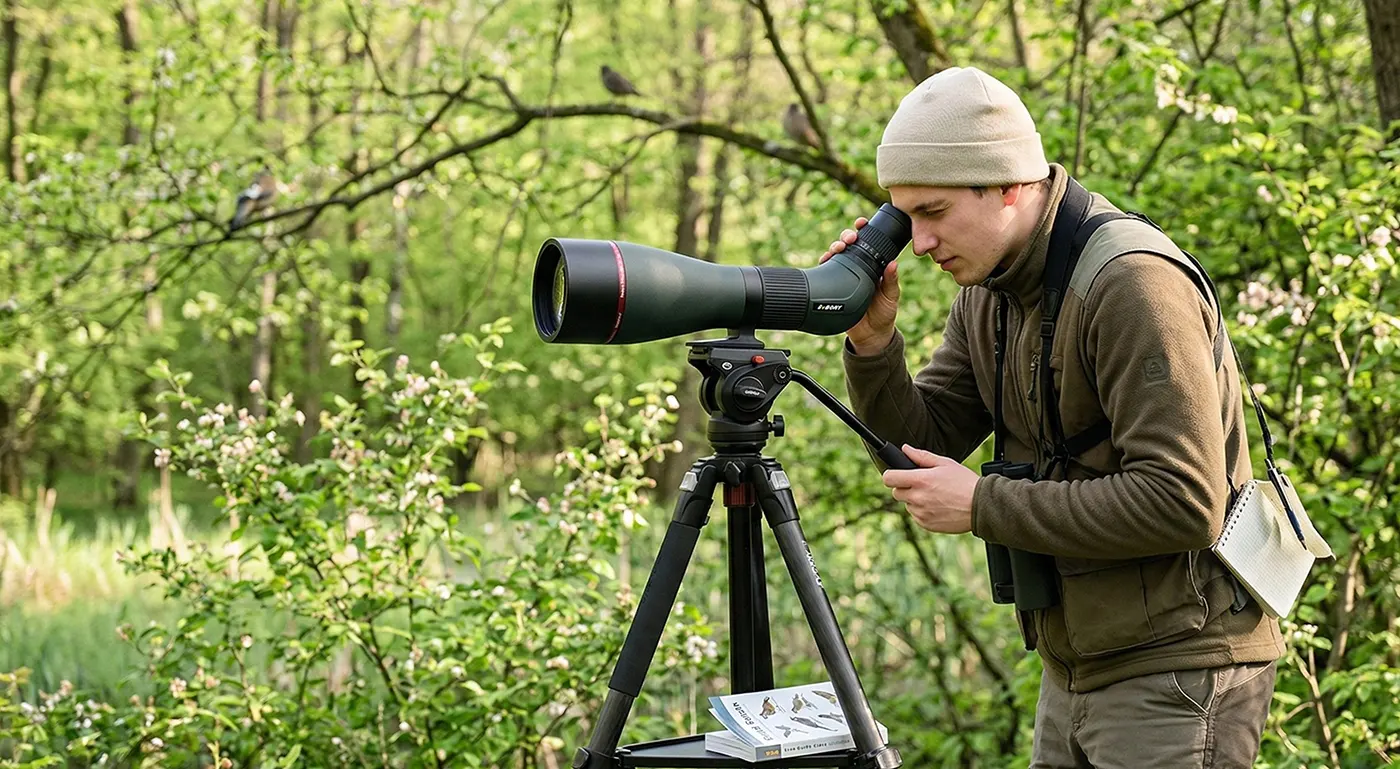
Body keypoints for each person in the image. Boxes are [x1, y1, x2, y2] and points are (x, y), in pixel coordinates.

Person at [824, 66, 1284, 767]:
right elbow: (924, 442)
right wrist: (873, 341)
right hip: (1076, 667)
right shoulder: (991, 293)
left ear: (1008, 185)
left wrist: (983, 502)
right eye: (904, 217)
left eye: (934, 212)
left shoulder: (1131, 284)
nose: (917, 243)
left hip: (1179, 669)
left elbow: (1184, 501)